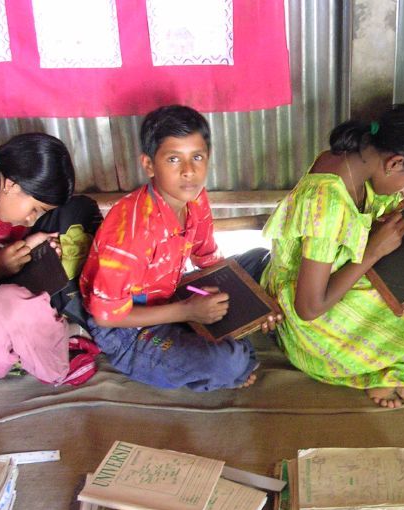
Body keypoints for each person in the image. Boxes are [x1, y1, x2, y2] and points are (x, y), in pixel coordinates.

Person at [261, 103, 404, 408]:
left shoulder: (364, 159)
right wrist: (373, 252)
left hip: (343, 272)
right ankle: (398, 370)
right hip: (310, 323)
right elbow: (308, 308)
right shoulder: (329, 202)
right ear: (395, 163)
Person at [80, 104, 277, 391]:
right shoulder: (131, 234)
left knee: (259, 262)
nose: (188, 171)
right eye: (174, 159)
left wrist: (256, 306)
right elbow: (106, 316)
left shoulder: (195, 198)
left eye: (197, 157)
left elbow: (208, 261)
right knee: (227, 363)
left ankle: (225, 336)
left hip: (171, 293)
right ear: (149, 165)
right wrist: (188, 312)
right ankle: (223, 353)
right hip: (128, 328)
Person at [0, 133, 100, 386]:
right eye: (35, 209)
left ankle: (49, 326)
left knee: (77, 210)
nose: (32, 219)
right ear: (11, 185)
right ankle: (50, 351)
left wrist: (32, 248)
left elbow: (5, 241)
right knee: (13, 303)